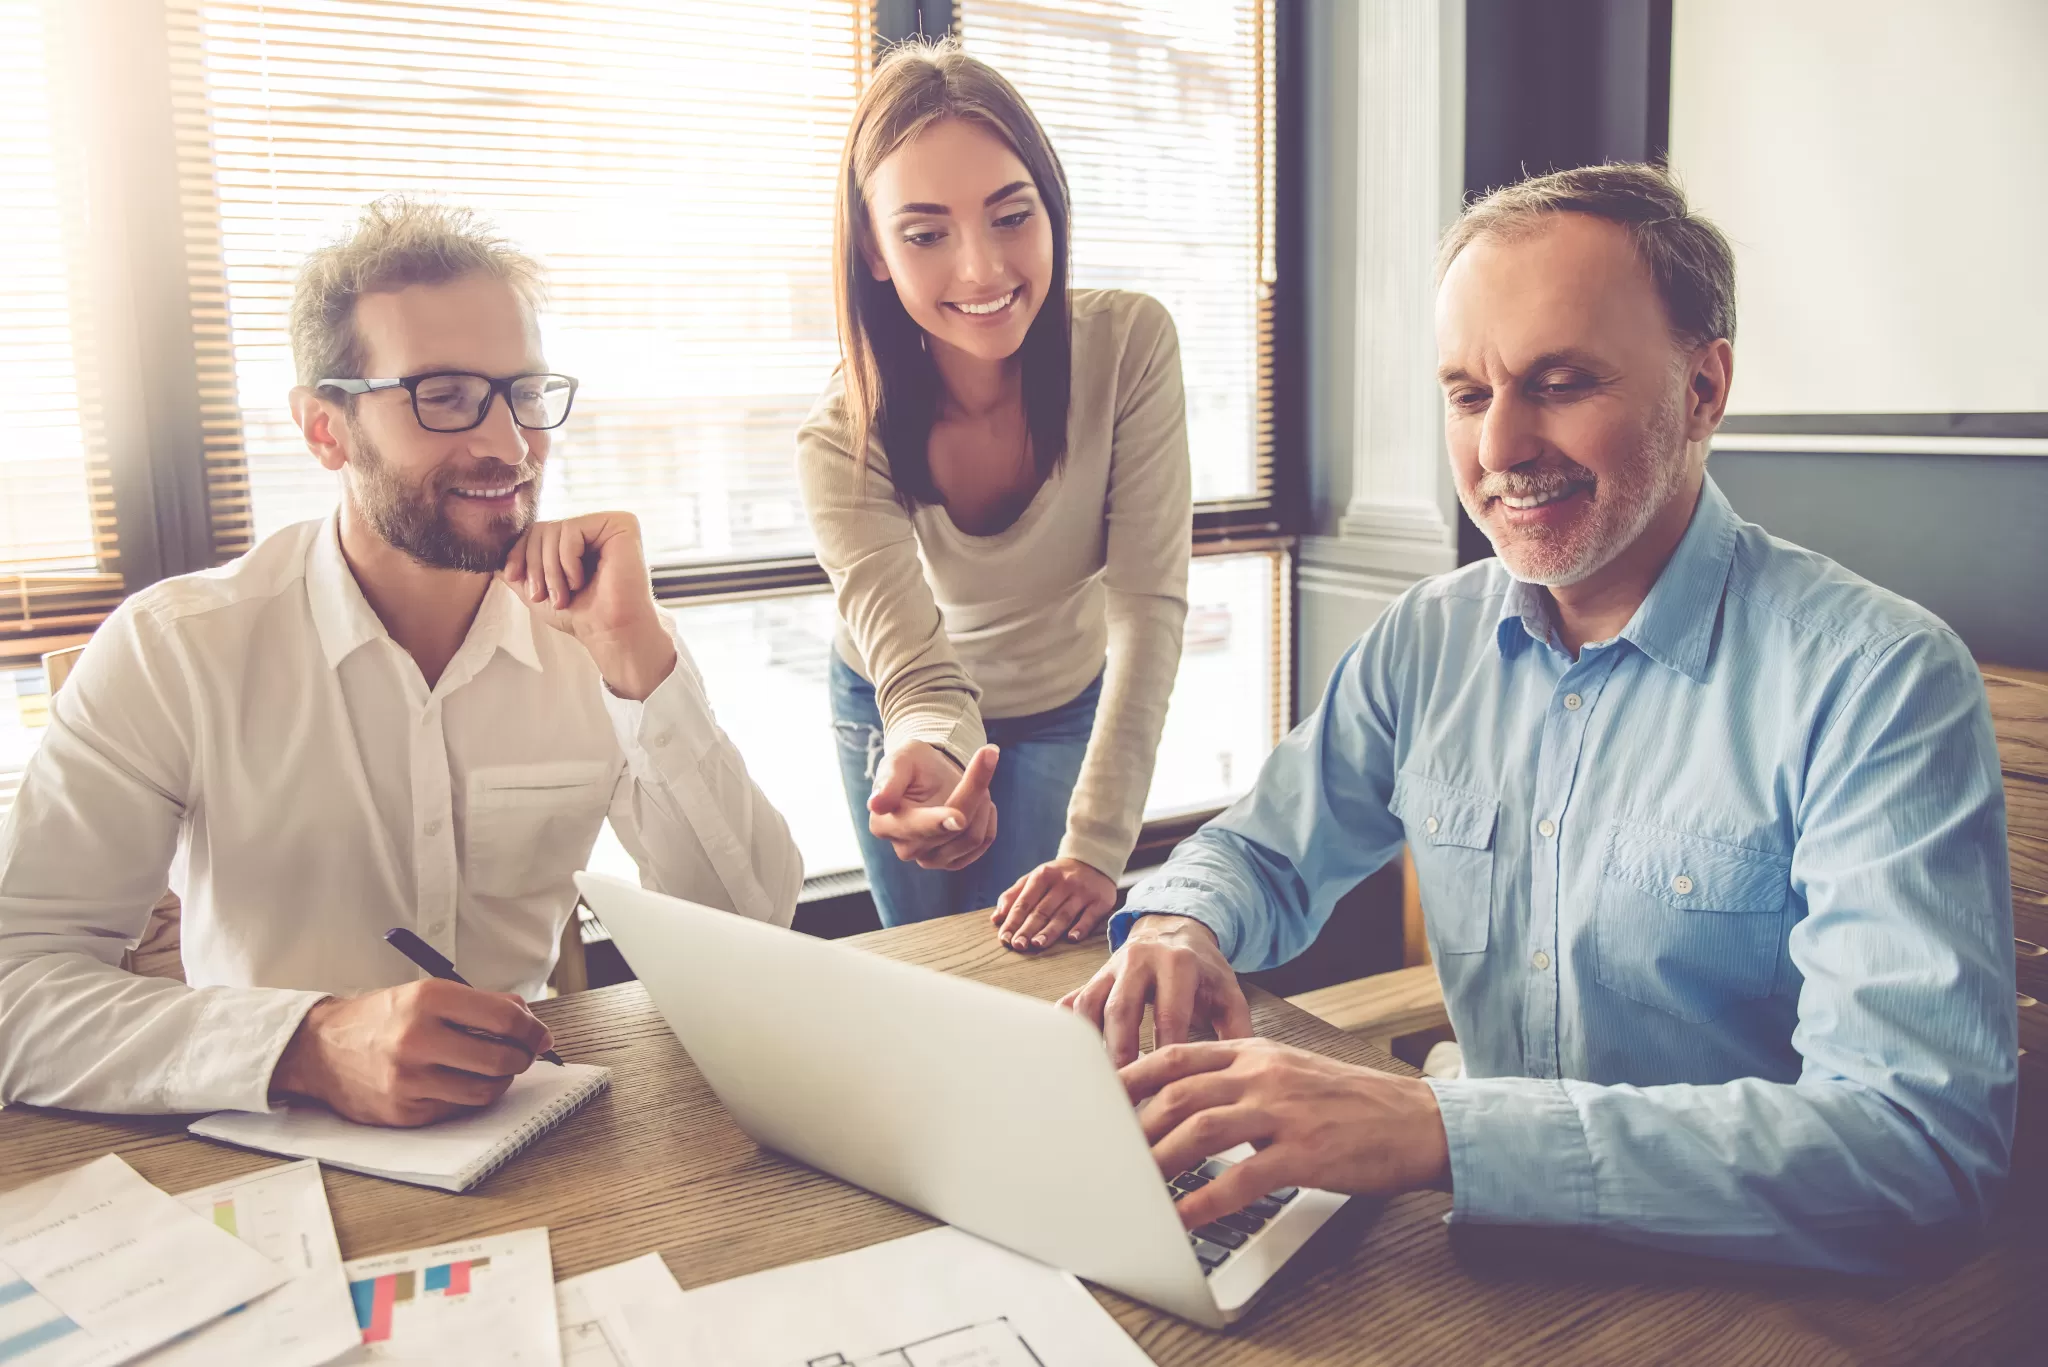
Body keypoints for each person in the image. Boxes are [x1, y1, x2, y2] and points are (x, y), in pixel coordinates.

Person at [1063, 163, 2015, 1272]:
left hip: (1746, 1290)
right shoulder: (1427, 639)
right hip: (1480, 1245)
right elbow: (1259, 850)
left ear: (1702, 389)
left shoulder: (1878, 682)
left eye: (1558, 382)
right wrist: (1183, 922)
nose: (1499, 447)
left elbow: (1915, 1150)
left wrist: (1438, 1129)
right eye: (1466, 394)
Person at [0, 198, 801, 1125]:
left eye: (523, 395)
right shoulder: (176, 649)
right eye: (444, 396)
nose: (507, 446)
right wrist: (308, 1044)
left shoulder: (593, 629)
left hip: (527, 1137)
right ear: (325, 430)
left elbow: (756, 927)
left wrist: (639, 664)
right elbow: (16, 986)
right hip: (264, 1152)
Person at [798, 39, 1191, 941]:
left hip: (1063, 698)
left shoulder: (1130, 346)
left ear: (1052, 210)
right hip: (897, 702)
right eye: (927, 233)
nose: (981, 270)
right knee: (930, 965)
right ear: (873, 248)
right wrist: (926, 755)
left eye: (1012, 217)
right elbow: (918, 673)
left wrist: (1097, 846)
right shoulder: (839, 439)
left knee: (1034, 969)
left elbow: (1148, 603)